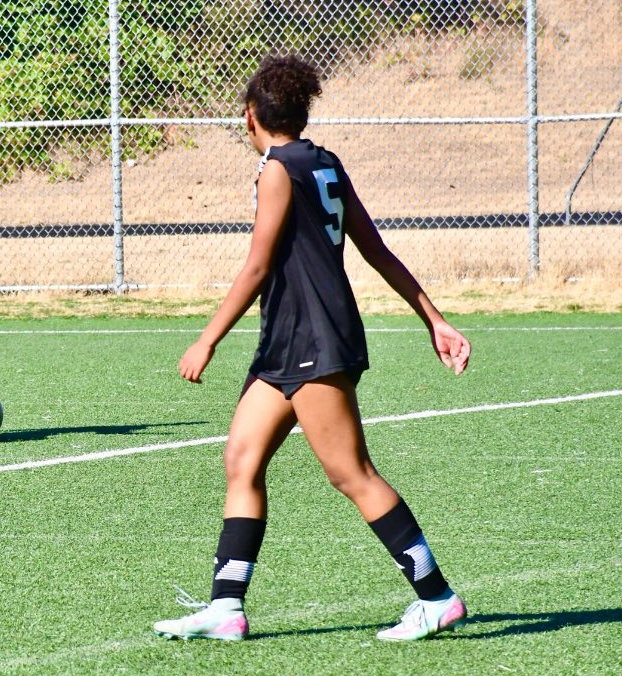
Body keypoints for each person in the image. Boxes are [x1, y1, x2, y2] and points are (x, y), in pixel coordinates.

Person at [153, 56, 471, 643]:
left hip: (313, 339)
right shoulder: (324, 162)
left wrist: (207, 339)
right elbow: (377, 250)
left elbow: (257, 265)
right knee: (242, 460)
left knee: (351, 473)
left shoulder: (277, 168)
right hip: (287, 343)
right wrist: (434, 318)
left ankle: (437, 597)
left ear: (250, 118)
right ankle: (227, 607)